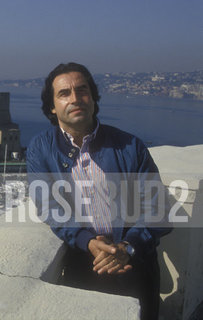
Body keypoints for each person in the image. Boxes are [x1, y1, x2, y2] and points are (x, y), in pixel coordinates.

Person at [26, 62, 172, 320]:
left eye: (82, 90)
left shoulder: (129, 146)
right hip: (84, 263)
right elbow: (50, 207)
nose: (75, 98)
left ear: (93, 98)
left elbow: (158, 208)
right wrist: (88, 242)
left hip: (134, 263)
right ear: (52, 106)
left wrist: (127, 247)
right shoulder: (41, 149)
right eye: (64, 93)